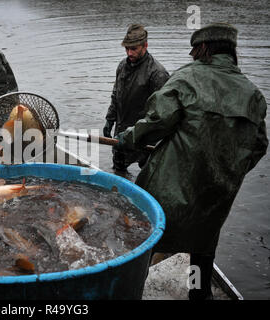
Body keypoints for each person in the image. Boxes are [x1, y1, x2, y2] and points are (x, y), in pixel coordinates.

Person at [114, 23, 268, 299]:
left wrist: (128, 137)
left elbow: (156, 123)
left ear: (203, 48)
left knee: (145, 238)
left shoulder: (187, 78)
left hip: (170, 186)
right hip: (217, 194)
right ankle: (200, 294)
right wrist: (227, 172)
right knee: (203, 245)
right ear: (232, 52)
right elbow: (258, 147)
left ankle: (127, 290)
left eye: (194, 50)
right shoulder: (253, 95)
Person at [103, 24, 169, 172]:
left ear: (145, 46)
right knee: (118, 172)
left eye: (134, 49)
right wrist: (109, 119)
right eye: (127, 49)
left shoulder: (157, 73)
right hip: (121, 132)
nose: (129, 53)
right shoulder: (122, 66)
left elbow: (161, 114)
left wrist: (145, 134)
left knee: (148, 175)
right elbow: (116, 95)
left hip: (145, 137)